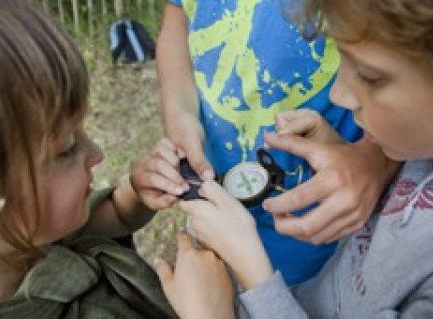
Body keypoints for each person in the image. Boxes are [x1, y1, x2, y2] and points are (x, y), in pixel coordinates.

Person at [154, 0, 433, 317]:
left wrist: (238, 296)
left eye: (368, 76)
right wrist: (358, 152)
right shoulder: (428, 147)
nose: (339, 95)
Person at [156, 0, 398, 286]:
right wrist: (179, 113)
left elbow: (425, 62)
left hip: (323, 230)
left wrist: (376, 160)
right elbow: (177, 22)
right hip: (216, 204)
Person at [0, 1, 177, 317]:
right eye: (66, 149)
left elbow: (113, 220)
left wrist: (136, 195)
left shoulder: (33, 229)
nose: (97, 154)